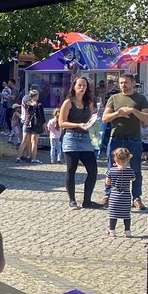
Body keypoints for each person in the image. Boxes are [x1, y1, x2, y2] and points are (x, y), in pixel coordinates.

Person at [101, 74, 148, 211]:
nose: (123, 85)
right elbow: (105, 118)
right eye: (121, 83)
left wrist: (133, 110)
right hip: (116, 137)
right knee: (112, 168)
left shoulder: (140, 98)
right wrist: (118, 114)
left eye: (126, 82)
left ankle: (136, 198)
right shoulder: (114, 98)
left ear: (133, 83)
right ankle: (108, 195)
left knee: (136, 169)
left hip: (134, 138)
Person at [59, 77, 100, 209]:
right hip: (71, 137)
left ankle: (87, 200)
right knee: (71, 170)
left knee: (93, 170)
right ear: (74, 87)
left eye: (84, 86)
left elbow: (90, 121)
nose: (82, 88)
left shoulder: (89, 103)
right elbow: (62, 123)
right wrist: (78, 125)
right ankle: (72, 200)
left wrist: (93, 124)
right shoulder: (68, 103)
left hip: (85, 138)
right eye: (79, 85)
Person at [105, 148, 135, 239]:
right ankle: (127, 231)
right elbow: (133, 179)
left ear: (115, 159)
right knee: (126, 214)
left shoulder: (111, 170)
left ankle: (112, 231)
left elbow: (107, 182)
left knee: (113, 214)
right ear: (128, 159)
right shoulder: (130, 171)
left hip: (115, 195)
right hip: (126, 195)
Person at [16, 89, 44, 164]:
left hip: (27, 123)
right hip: (35, 124)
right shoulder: (38, 105)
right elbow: (41, 116)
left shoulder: (26, 103)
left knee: (24, 141)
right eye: (37, 95)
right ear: (35, 96)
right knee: (34, 142)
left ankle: (18, 157)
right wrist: (43, 125)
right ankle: (33, 159)